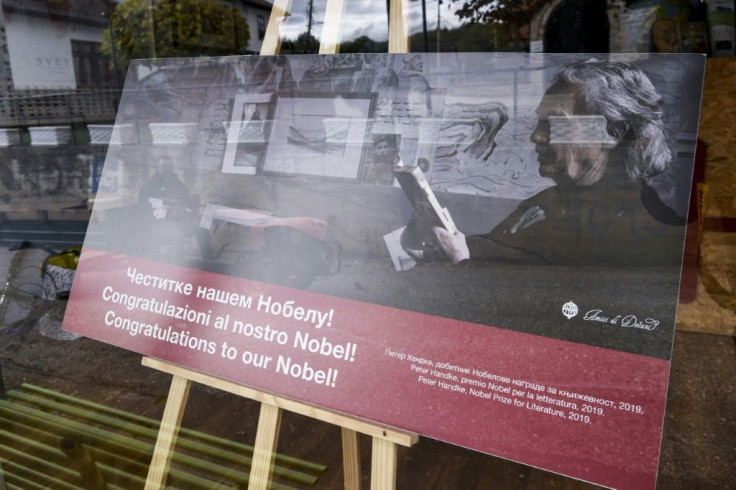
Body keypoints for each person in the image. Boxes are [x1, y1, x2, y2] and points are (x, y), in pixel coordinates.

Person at [417, 60, 684, 266]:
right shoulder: (545, 202)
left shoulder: (641, 231)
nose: (536, 136)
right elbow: (502, 252)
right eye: (539, 123)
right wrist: (446, 245)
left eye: (555, 123)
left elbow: (554, 308)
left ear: (613, 132)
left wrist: (460, 262)